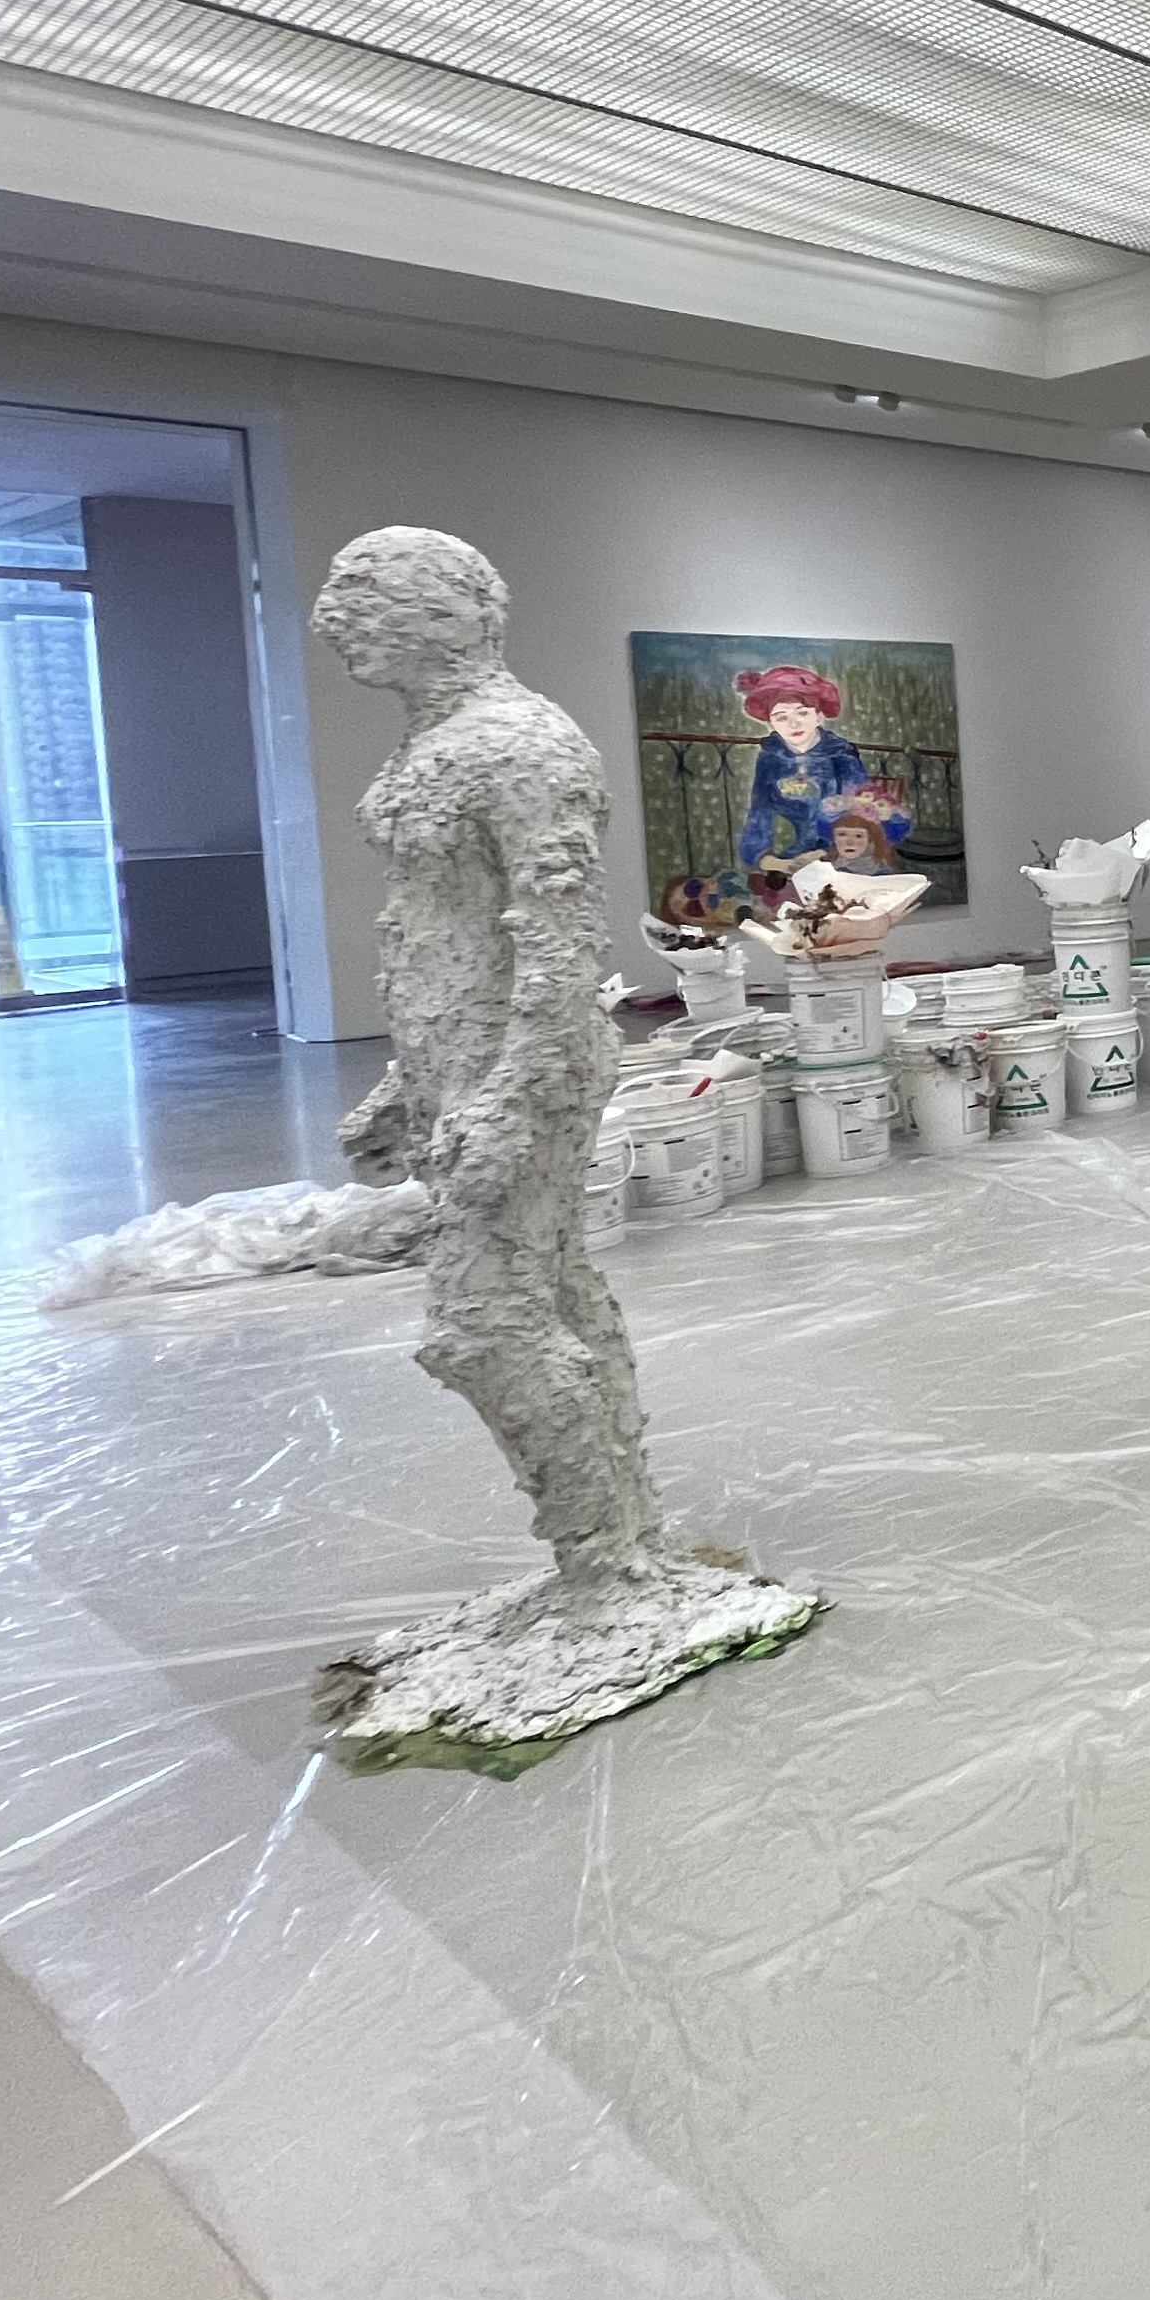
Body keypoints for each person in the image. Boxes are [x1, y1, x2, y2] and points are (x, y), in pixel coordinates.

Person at [310, 528, 816, 1748]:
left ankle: (605, 1571)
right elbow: (443, 933)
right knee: (554, 1293)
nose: (335, 615)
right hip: (464, 1064)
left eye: (367, 590)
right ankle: (621, 1551)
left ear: (460, 607)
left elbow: (558, 946)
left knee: (483, 1325)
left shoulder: (520, 744)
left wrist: (508, 1092)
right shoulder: (431, 743)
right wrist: (410, 1080)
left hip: (522, 1069)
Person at [732, 665, 903, 901]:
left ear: (818, 715)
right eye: (781, 717)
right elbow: (759, 813)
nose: (793, 724)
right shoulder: (770, 759)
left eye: (802, 713)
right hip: (789, 859)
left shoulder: (840, 756)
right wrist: (770, 860)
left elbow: (860, 816)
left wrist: (822, 853)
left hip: (842, 853)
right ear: (770, 722)